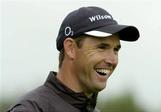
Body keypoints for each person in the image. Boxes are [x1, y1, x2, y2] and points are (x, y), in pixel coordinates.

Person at [8, 6, 140, 112]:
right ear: (70, 48)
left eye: (116, 50)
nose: (112, 60)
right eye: (102, 47)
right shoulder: (31, 109)